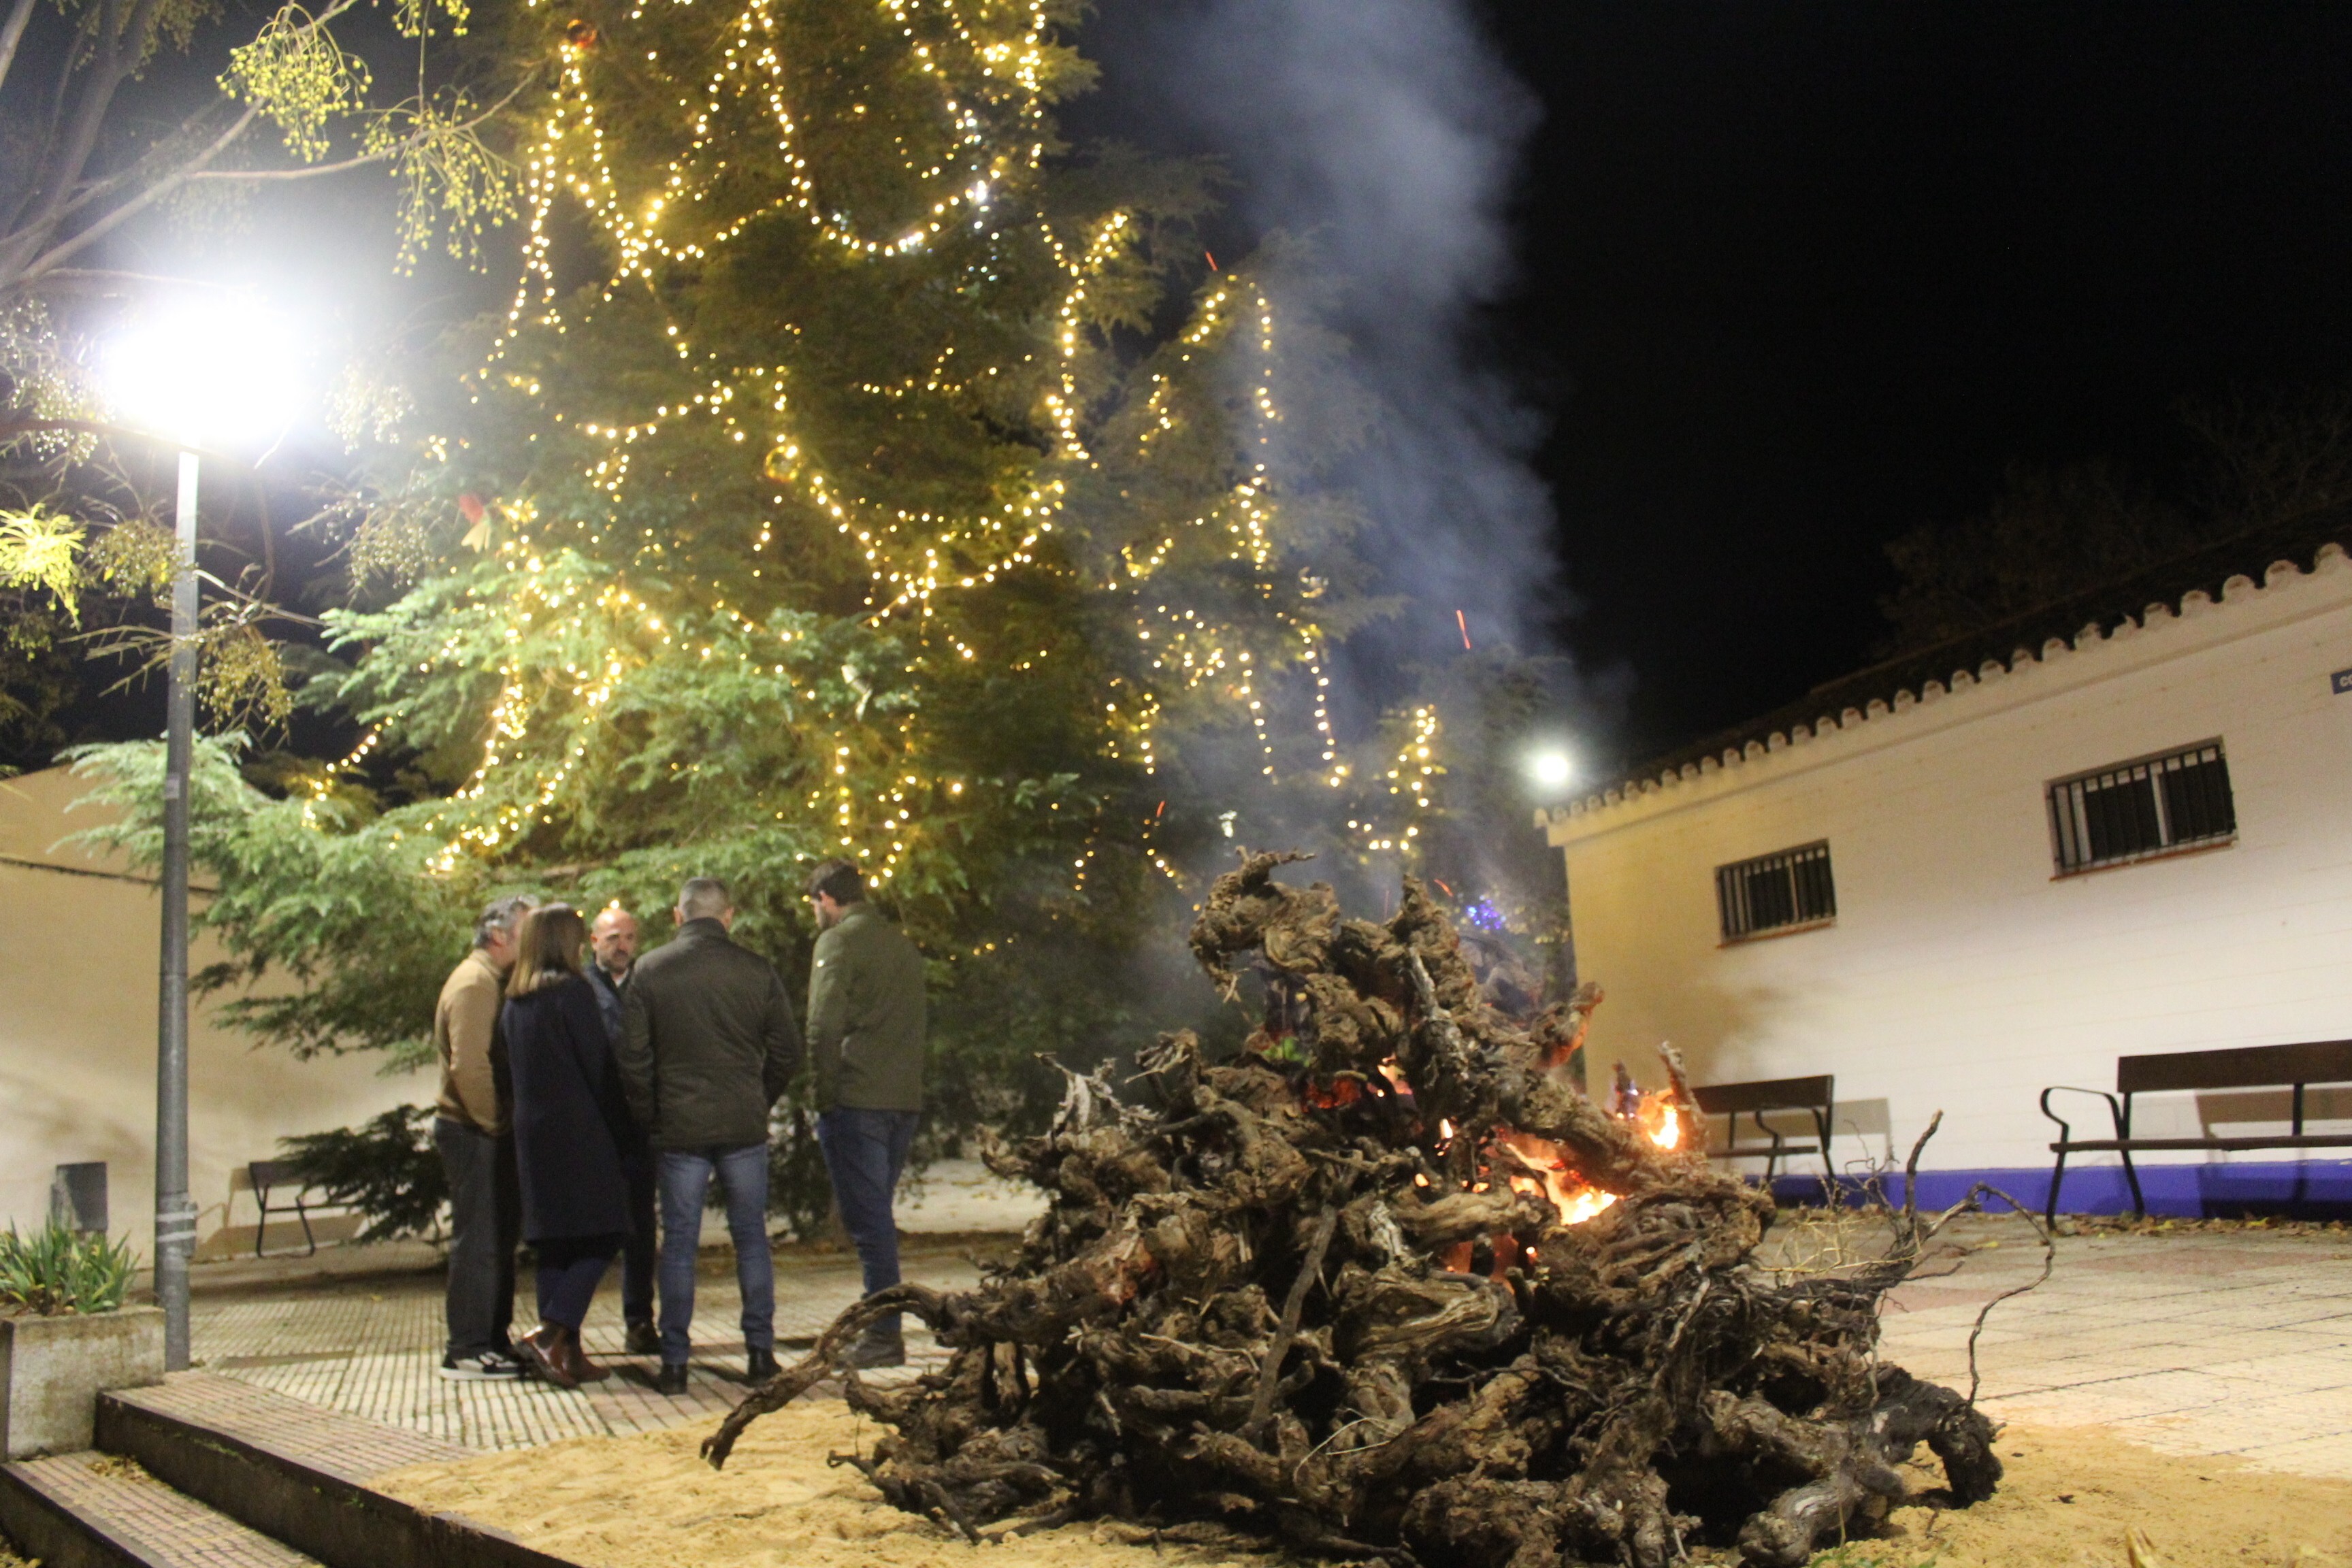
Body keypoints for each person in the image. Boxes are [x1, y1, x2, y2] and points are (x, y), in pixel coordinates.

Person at [617, 877, 802, 1394]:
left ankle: (675, 1362)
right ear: (729, 916)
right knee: (751, 1239)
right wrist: (758, 1098)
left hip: (679, 1127)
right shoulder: (756, 970)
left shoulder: (650, 970)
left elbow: (633, 1057)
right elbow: (787, 1051)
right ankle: (760, 1353)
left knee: (679, 1244)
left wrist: (651, 1114)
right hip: (742, 1124)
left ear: (679, 916)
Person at [500, 904, 636, 1388]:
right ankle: (551, 1334)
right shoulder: (572, 994)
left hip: (533, 1135)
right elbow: (598, 1066)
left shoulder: (514, 1001)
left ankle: (567, 1355)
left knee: (556, 1244)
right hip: (579, 1131)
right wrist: (625, 1131)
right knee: (606, 1232)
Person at [805, 859, 926, 1369]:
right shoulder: (901, 945)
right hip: (902, 1099)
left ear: (826, 899)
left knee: (869, 1222)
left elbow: (822, 1027)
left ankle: (883, 1334)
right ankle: (881, 1326)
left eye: (814, 904)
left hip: (858, 1099)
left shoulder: (838, 943)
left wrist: (822, 1096)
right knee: (878, 1217)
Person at [434, 894, 536, 1380]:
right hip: (473, 1131)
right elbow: (469, 1065)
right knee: (479, 1241)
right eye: (525, 935)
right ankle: (468, 1347)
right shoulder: (475, 984)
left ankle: (492, 1339)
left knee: (496, 1238)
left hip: (481, 1129)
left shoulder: (489, 980)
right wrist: (496, 1122)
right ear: (499, 936)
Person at [587, 903, 659, 1357]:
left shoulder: (647, 984)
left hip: (638, 1124)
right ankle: (567, 1324)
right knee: (589, 1225)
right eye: (614, 937)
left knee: (640, 1226)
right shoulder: (579, 989)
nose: (622, 946)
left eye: (629, 938)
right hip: (594, 1124)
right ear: (595, 940)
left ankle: (639, 1320)